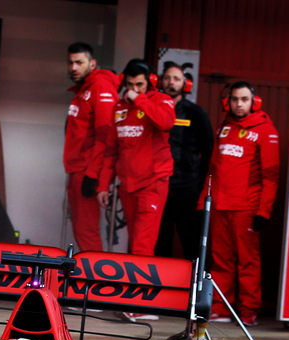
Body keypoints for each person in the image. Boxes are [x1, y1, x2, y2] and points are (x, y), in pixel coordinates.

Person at [200, 81, 279, 326]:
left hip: (247, 207)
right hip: (221, 205)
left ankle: (248, 312)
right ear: (228, 102)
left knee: (248, 262)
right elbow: (213, 168)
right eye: (235, 99)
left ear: (254, 102)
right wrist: (204, 201)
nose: (239, 104)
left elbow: (272, 175)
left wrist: (264, 210)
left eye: (244, 99)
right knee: (220, 260)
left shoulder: (266, 130)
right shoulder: (224, 127)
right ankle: (221, 309)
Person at [96, 59, 176, 256]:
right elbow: (111, 151)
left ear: (150, 82)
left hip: (153, 183)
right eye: (130, 85)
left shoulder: (161, 101)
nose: (134, 89)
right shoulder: (119, 108)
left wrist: (140, 100)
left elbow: (166, 123)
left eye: (139, 84)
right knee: (134, 244)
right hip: (128, 185)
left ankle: (142, 287)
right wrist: (103, 186)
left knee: (142, 246)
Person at [63, 42, 119, 253]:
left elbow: (106, 136)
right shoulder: (83, 91)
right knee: (81, 229)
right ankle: (90, 276)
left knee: (86, 230)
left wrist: (93, 174)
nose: (74, 68)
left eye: (79, 62)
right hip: (77, 168)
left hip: (87, 170)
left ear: (92, 63)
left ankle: (94, 279)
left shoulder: (101, 87)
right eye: (70, 63)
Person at [154, 62, 212, 262]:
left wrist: (201, 185)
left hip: (188, 189)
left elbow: (209, 151)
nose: (171, 82)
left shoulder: (196, 113)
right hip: (160, 186)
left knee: (192, 242)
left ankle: (192, 289)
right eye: (168, 78)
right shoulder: (154, 110)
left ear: (185, 84)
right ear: (160, 81)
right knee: (160, 241)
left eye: (176, 78)